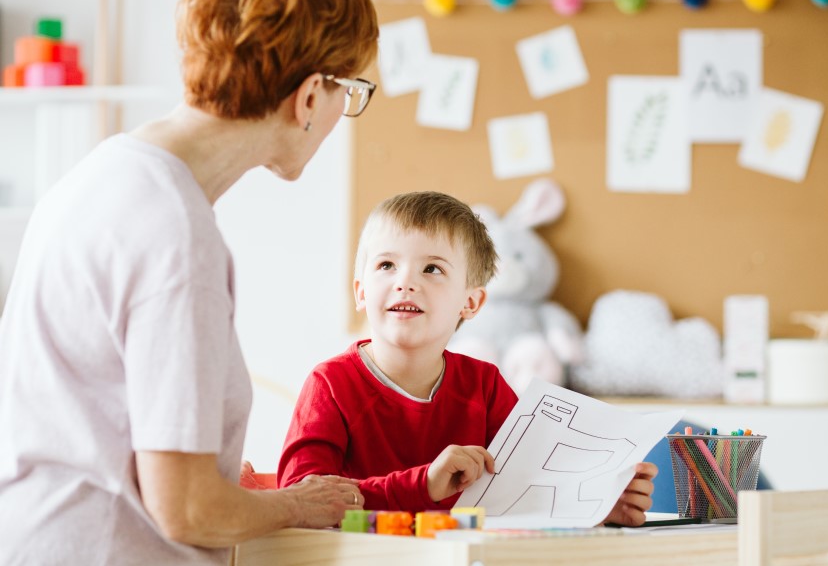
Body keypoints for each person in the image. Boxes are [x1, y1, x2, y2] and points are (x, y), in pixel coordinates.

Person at [0, 0, 378, 564]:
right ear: (309, 96)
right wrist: (298, 503)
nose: (340, 114)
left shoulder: (101, 176)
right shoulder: (176, 233)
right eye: (350, 92)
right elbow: (188, 509)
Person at [277, 191, 659, 525]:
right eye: (386, 265)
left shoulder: (485, 386)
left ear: (471, 302)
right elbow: (299, 498)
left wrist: (600, 504)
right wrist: (422, 484)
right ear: (360, 291)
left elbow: (530, 487)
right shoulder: (329, 385)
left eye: (432, 269)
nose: (405, 281)